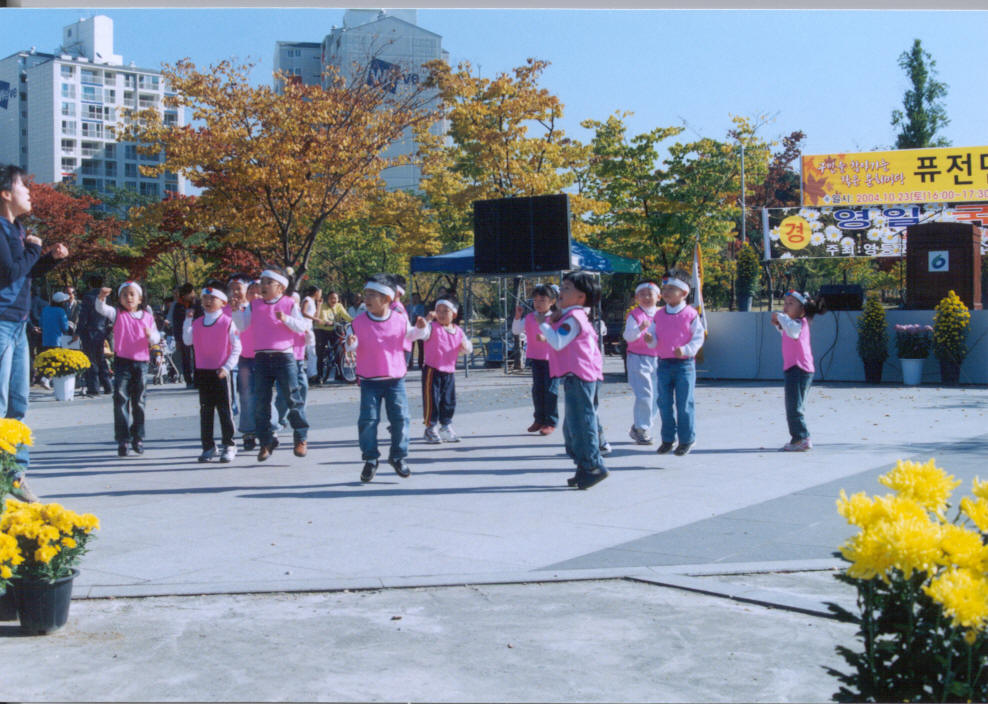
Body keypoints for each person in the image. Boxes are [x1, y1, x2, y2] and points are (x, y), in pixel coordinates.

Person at [0, 164, 68, 502]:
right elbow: (10, 271)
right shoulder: (1, 231)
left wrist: (48, 259)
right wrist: (32, 250)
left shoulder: (18, 229)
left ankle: (16, 473)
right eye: (23, 187)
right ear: (5, 194)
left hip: (19, 323)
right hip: (1, 322)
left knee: (19, 401)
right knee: (0, 403)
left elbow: (24, 274)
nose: (30, 192)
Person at [346, 274, 429, 483]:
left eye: (372, 294)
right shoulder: (358, 322)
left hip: (395, 379)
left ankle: (398, 456)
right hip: (369, 381)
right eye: (366, 294)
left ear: (386, 299)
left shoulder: (399, 319)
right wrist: (351, 343)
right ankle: (371, 459)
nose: (367, 298)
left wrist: (421, 328)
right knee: (368, 421)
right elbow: (351, 346)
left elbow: (413, 336)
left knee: (401, 419)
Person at [538, 272, 608, 490]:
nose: (561, 291)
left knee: (581, 423)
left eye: (567, 288)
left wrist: (543, 324)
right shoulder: (570, 315)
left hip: (580, 375)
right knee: (572, 426)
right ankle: (583, 465)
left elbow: (558, 341)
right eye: (562, 287)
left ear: (581, 297)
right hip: (577, 375)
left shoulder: (574, 318)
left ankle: (592, 467)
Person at [231, 267, 310, 461]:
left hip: (284, 357)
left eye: (268, 282)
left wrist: (286, 319)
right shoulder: (254, 305)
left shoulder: (289, 303)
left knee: (293, 398)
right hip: (262, 358)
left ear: (280, 287)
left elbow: (303, 326)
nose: (262, 286)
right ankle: (266, 442)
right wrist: (235, 312)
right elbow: (242, 326)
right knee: (261, 402)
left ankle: (300, 437)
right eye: (261, 282)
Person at [95, 281, 161, 457]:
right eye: (124, 294)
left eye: (132, 294)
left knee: (139, 402)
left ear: (140, 299)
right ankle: (123, 440)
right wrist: (101, 297)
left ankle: (138, 437)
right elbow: (102, 309)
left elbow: (156, 336)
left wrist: (151, 337)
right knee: (120, 400)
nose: (129, 298)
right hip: (122, 362)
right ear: (119, 298)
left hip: (141, 363)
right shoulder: (117, 314)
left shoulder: (147, 316)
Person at [646, 269, 705, 457]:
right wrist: (651, 341)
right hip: (663, 363)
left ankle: (687, 439)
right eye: (665, 288)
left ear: (684, 293)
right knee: (664, 402)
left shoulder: (690, 314)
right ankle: (667, 439)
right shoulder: (659, 314)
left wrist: (686, 350)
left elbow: (698, 338)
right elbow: (654, 336)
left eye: (672, 288)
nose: (666, 292)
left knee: (684, 403)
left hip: (684, 365)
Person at [184, 283, 241, 463]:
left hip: (220, 372)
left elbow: (237, 348)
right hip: (203, 372)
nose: (208, 301)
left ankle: (229, 444)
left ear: (223, 302)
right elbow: (187, 340)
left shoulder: (228, 322)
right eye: (205, 298)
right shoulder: (198, 323)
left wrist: (227, 367)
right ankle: (208, 446)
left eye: (212, 298)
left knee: (225, 410)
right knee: (206, 411)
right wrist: (187, 320)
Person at [771, 290, 827, 452]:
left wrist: (779, 317)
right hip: (794, 368)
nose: (786, 307)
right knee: (794, 405)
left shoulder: (799, 324)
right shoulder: (794, 324)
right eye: (785, 303)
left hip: (799, 369)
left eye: (791, 303)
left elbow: (791, 330)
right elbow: (785, 330)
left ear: (802, 309)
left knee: (794, 406)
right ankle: (799, 437)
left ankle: (801, 437)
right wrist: (779, 322)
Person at [420, 298, 472, 443]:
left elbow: (466, 348)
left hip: (449, 371)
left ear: (453, 314)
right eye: (439, 311)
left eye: (445, 311)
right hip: (432, 370)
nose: (441, 314)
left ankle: (446, 426)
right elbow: (421, 333)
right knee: (432, 400)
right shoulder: (432, 327)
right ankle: (430, 428)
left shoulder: (458, 331)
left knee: (448, 400)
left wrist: (465, 346)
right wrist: (426, 321)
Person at [512, 284, 559, 436]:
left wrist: (547, 338)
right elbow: (516, 331)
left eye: (542, 300)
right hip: (535, 358)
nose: (538, 303)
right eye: (536, 300)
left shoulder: (555, 317)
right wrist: (518, 317)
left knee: (550, 390)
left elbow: (561, 337)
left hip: (552, 359)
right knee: (537, 390)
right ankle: (539, 419)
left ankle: (550, 422)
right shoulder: (531, 317)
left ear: (552, 301)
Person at [623, 281, 662, 445]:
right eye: (642, 294)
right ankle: (641, 428)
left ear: (659, 297)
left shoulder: (662, 315)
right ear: (636, 298)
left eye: (650, 294)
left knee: (658, 396)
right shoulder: (635, 315)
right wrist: (640, 328)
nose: (646, 297)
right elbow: (628, 337)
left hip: (658, 359)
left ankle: (640, 426)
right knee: (645, 394)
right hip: (638, 359)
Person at [77, 273, 113, 397]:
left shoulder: (88, 297)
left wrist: (78, 331)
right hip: (102, 330)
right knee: (101, 358)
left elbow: (83, 316)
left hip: (89, 330)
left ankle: (94, 387)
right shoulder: (108, 297)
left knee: (90, 359)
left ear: (90, 284)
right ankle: (108, 385)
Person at [37, 291, 72, 390]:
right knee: (56, 361)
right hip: (57, 340)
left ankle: (45, 377)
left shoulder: (45, 309)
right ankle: (46, 378)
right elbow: (65, 327)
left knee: (48, 360)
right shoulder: (61, 311)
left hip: (46, 339)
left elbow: (41, 323)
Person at [171, 283, 197, 388]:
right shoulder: (178, 306)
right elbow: (176, 324)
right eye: (190, 293)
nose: (193, 295)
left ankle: (198, 379)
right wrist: (177, 339)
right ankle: (188, 380)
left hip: (197, 335)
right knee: (186, 358)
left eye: (193, 292)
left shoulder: (197, 304)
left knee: (197, 358)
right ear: (184, 295)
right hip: (183, 336)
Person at [407, 292, 426, 370]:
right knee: (410, 346)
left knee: (421, 347)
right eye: (413, 298)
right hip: (411, 327)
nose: (415, 299)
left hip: (419, 328)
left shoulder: (422, 307)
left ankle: (421, 363)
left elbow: (422, 315)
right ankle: (410, 363)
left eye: (416, 298)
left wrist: (416, 315)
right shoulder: (408, 307)